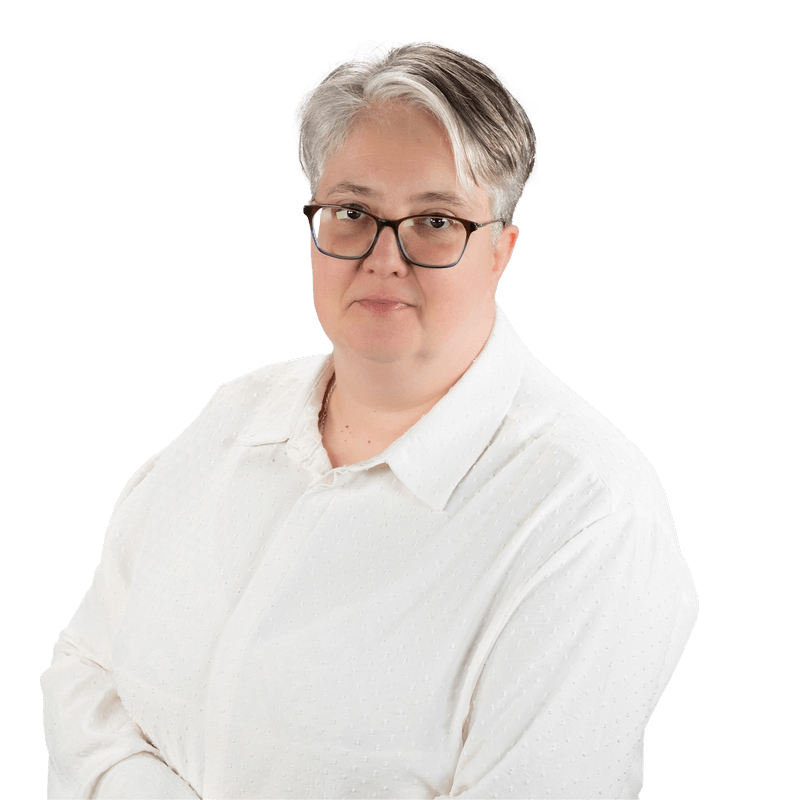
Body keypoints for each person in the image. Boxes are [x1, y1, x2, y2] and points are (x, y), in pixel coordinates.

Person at [41, 40, 698, 799]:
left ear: (501, 250)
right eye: (352, 212)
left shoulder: (587, 513)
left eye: (435, 220)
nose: (385, 257)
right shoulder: (233, 417)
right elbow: (85, 674)